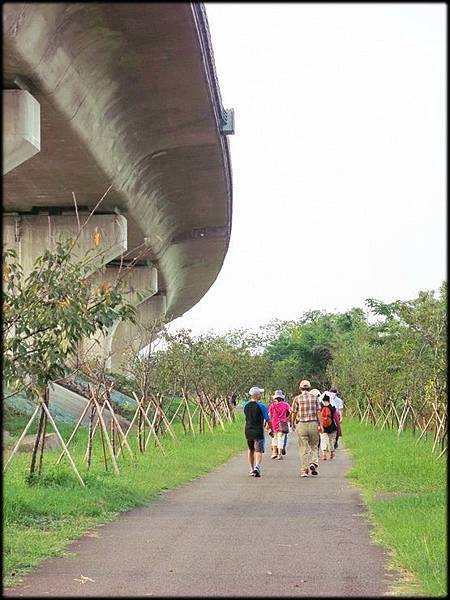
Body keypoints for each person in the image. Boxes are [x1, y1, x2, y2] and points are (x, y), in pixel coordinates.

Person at [290, 380, 321, 477]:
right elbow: (318, 412)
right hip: (313, 424)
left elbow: (294, 412)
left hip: (302, 424)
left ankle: (304, 470)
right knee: (314, 446)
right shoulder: (314, 398)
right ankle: (313, 463)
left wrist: (292, 423)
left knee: (303, 448)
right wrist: (321, 425)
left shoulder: (297, 398)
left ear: (300, 388)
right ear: (309, 388)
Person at [243, 386, 274, 477]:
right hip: (258, 431)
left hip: (248, 430)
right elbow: (268, 419)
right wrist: (271, 429)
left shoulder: (246, 405)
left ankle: (251, 469)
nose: (261, 395)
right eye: (260, 393)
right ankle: (257, 467)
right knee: (258, 450)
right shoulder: (261, 406)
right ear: (256, 395)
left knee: (250, 449)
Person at [268, 390, 290, 460]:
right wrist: (287, 418)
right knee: (281, 439)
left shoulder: (272, 405)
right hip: (282, 424)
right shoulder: (286, 405)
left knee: (274, 438)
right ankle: (279, 454)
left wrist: (267, 424)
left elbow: (269, 415)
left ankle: (274, 453)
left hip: (274, 423)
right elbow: (291, 411)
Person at [318, 392, 338, 460]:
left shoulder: (320, 408)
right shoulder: (333, 408)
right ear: (329, 400)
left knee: (323, 440)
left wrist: (319, 426)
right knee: (331, 441)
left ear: (323, 400)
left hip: (323, 427)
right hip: (332, 427)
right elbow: (336, 418)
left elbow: (318, 418)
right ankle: (332, 453)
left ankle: (324, 454)